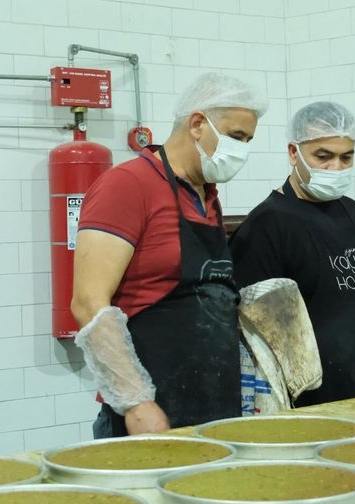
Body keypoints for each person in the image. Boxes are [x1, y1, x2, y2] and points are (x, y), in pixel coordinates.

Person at [71, 72, 268, 437]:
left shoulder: (207, 195)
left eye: (248, 140)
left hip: (212, 408)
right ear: (197, 124)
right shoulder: (127, 185)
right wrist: (135, 401)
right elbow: (87, 302)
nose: (241, 149)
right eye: (236, 136)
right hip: (149, 415)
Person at [229, 101, 355, 406]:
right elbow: (255, 334)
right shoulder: (267, 226)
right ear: (294, 153)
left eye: (346, 157)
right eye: (323, 156)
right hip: (312, 401)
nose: (336, 167)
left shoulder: (354, 214)